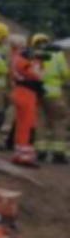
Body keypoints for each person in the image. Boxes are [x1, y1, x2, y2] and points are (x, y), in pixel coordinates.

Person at [33, 34, 69, 164]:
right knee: (59, 120)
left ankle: (40, 153)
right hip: (54, 94)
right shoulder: (57, 55)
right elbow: (65, 73)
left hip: (37, 93)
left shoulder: (34, 56)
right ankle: (58, 154)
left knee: (40, 122)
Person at [11, 37, 44, 167]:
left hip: (19, 92)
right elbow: (36, 75)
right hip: (26, 94)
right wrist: (37, 62)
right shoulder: (21, 60)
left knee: (20, 126)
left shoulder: (14, 58)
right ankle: (25, 157)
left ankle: (18, 154)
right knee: (28, 126)